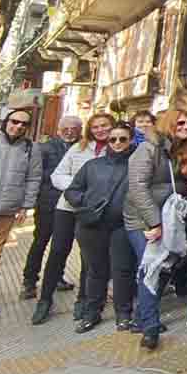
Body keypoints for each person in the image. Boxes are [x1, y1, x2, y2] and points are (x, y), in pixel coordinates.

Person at [32, 113, 114, 324]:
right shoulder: (78, 148)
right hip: (68, 207)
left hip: (95, 212)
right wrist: (82, 189)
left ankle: (83, 299)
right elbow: (57, 176)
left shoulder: (115, 149)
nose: (100, 130)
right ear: (89, 129)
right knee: (58, 251)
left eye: (104, 125)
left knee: (89, 257)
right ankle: (45, 299)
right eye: (95, 126)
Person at [126, 109, 187, 349]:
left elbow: (175, 182)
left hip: (170, 220)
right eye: (180, 122)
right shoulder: (148, 149)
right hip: (144, 220)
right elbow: (137, 187)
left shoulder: (178, 151)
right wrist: (154, 222)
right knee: (151, 268)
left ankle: (141, 317)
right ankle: (150, 327)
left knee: (162, 268)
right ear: (168, 123)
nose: (186, 126)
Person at [63, 122, 137, 334]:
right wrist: (87, 201)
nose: (117, 143)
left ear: (130, 140)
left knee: (122, 270)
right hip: (92, 226)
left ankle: (123, 314)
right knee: (95, 271)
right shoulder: (92, 166)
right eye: (113, 139)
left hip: (122, 226)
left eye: (123, 139)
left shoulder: (136, 166)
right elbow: (72, 191)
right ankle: (92, 313)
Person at [0, 109, 41, 315]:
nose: (18, 126)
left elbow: (33, 178)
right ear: (5, 121)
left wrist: (26, 206)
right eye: (14, 121)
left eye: (24, 124)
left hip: (6, 211)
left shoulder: (30, 148)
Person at [21, 115, 81, 301]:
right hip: (48, 203)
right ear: (59, 129)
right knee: (40, 242)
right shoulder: (44, 148)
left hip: (71, 205)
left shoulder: (83, 148)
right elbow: (36, 175)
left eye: (74, 128)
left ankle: (57, 277)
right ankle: (29, 282)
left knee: (62, 245)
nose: (70, 131)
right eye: (66, 128)